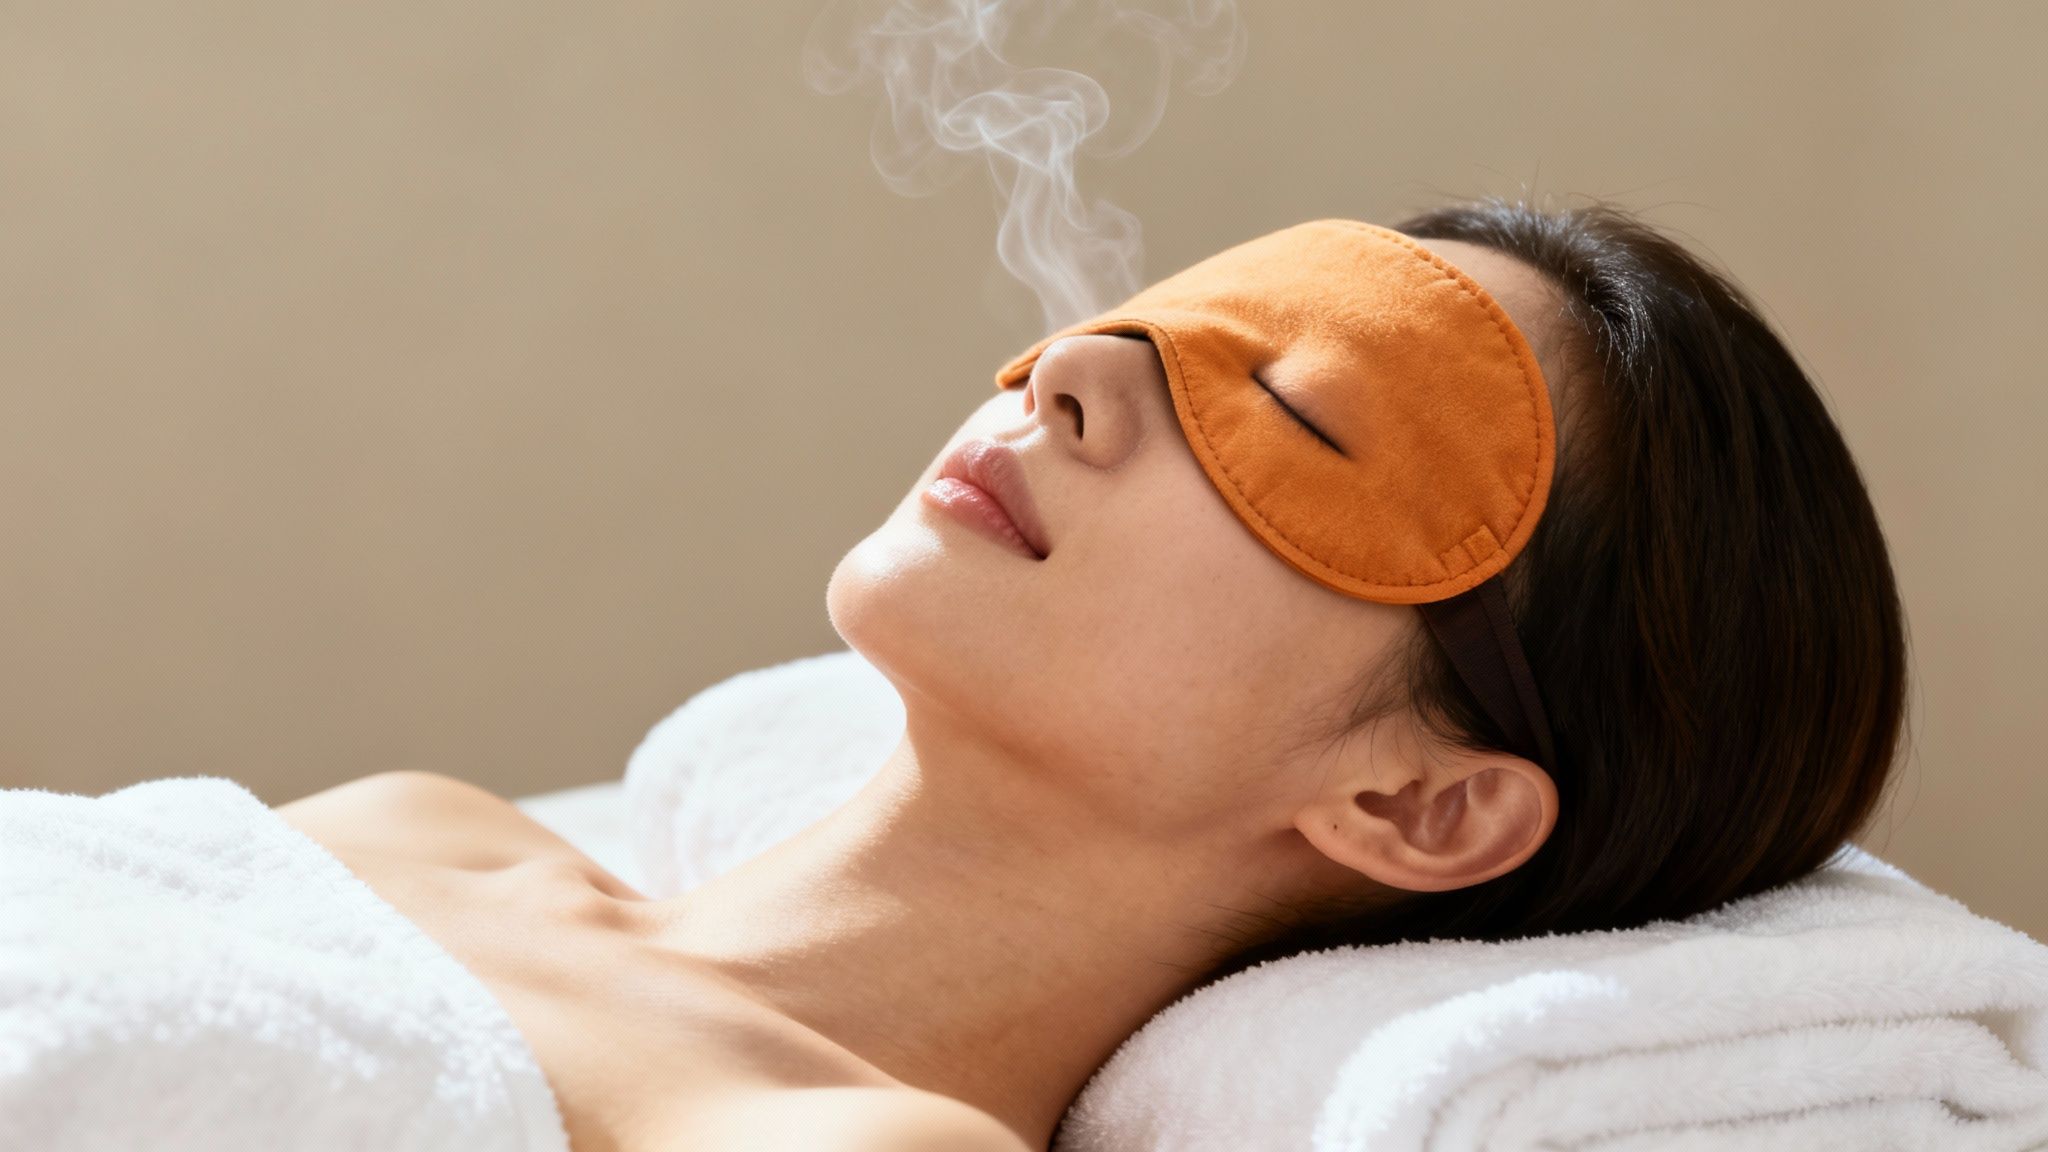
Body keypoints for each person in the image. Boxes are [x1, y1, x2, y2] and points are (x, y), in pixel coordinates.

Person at [278, 196, 1907, 1152]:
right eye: (1162, 327)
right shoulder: (408, 832)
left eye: (1297, 420)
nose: (1065, 374)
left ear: (1420, 801)